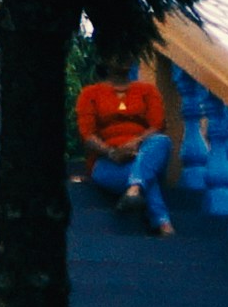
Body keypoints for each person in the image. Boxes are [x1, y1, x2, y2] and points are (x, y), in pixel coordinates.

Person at [74, 43, 177, 236]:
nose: (123, 56)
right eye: (116, 51)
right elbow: (87, 136)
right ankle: (161, 221)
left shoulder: (147, 91)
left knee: (161, 142)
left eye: (128, 51)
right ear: (104, 58)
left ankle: (134, 190)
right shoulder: (90, 94)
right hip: (106, 163)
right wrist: (112, 152)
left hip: (143, 153)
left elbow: (157, 125)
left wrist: (135, 142)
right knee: (144, 176)